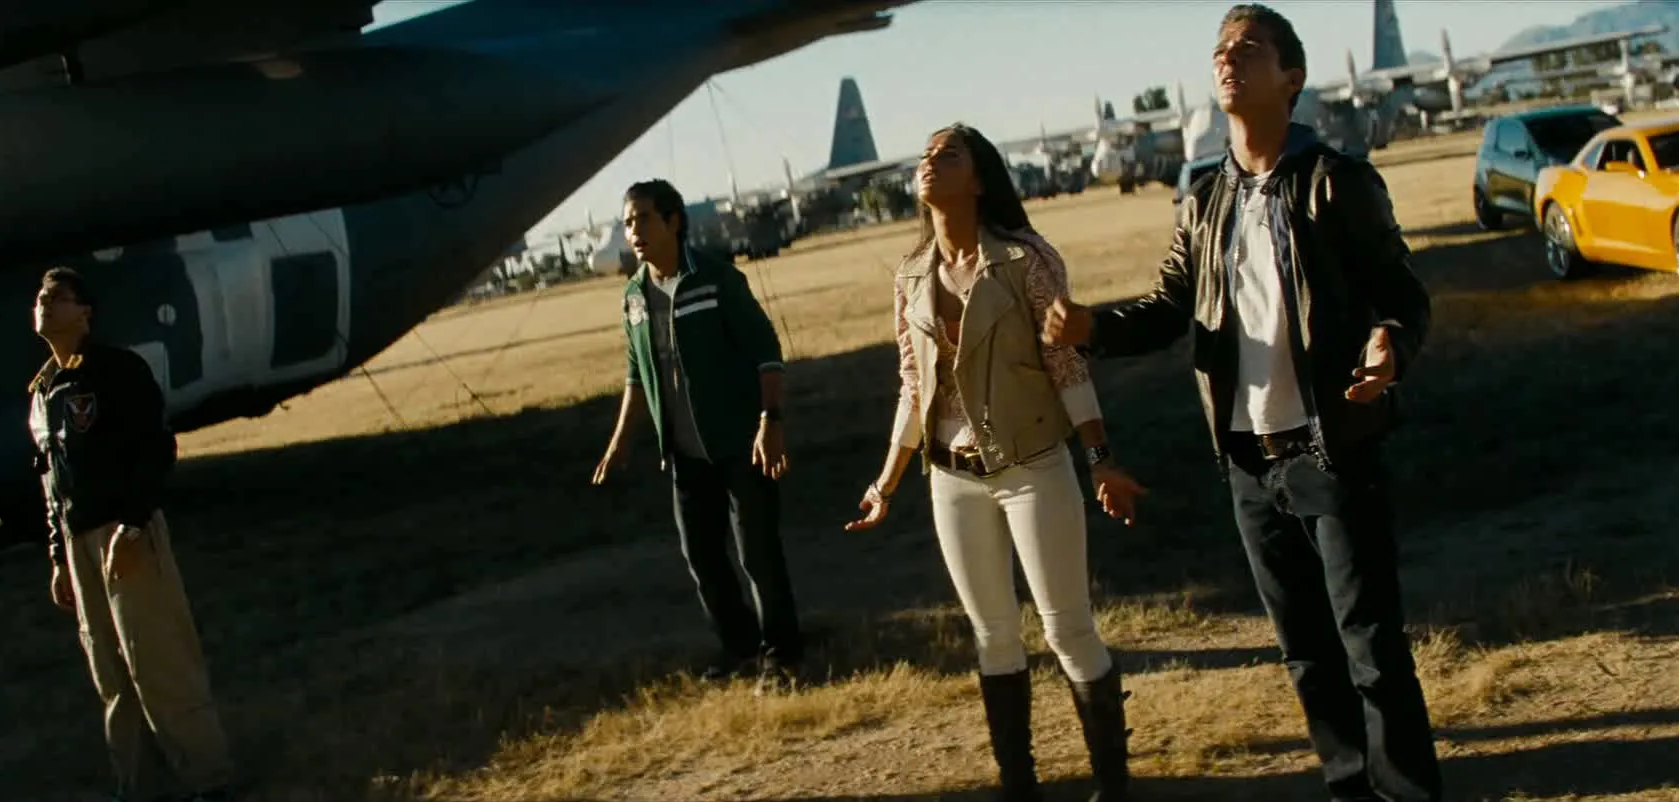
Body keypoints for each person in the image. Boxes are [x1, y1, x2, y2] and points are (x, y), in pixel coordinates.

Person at [1043, 5, 1443, 801]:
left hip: (1333, 448)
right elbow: (1171, 309)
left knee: (1370, 646)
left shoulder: (1337, 182)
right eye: (1221, 49)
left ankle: (1407, 794)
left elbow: (1403, 296)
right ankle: (1348, 788)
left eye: (1249, 48)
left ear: (1292, 78)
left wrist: (1391, 345)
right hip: (1249, 465)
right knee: (1305, 652)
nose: (1227, 58)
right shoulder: (1203, 200)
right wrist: (1094, 329)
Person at [845, 123, 1146, 802]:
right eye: (925, 155)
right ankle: (1020, 785)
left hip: (1033, 465)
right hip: (952, 477)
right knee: (993, 636)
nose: (929, 163)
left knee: (1068, 629)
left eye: (947, 154)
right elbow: (913, 385)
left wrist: (1099, 459)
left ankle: (1112, 786)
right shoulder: (911, 274)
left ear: (979, 179)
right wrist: (885, 483)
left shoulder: (1026, 261)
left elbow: (1067, 365)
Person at [29, 267, 238, 802]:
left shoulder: (117, 371)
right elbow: (51, 479)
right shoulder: (43, 391)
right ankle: (138, 785)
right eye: (41, 298)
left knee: (159, 658)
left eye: (58, 297)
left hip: (125, 530)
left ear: (85, 313)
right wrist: (58, 557)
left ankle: (209, 778)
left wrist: (134, 522)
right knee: (110, 674)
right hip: (79, 542)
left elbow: (155, 448)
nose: (44, 304)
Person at [591, 179, 804, 693]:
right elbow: (636, 374)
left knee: (757, 552)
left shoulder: (715, 280)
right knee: (702, 557)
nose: (633, 231)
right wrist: (620, 442)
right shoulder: (634, 297)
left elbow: (766, 351)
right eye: (628, 221)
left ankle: (781, 653)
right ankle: (740, 647)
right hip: (684, 455)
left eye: (644, 218)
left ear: (673, 221)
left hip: (739, 444)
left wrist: (770, 421)